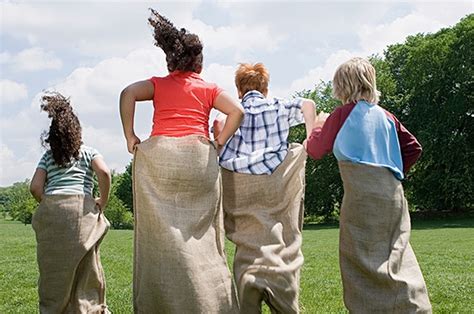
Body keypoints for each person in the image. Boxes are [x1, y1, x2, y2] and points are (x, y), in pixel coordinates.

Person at [119, 9, 243, 313]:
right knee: (202, 236)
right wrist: (220, 140)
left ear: (170, 60)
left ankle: (162, 301)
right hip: (197, 160)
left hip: (161, 159)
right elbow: (237, 111)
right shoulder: (209, 87)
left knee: (161, 237)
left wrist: (130, 136)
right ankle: (210, 301)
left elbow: (127, 93)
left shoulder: (158, 84)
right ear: (198, 61)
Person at [305, 57, 432, 313]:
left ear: (342, 86)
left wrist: (316, 126)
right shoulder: (387, 116)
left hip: (361, 197)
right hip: (393, 195)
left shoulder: (342, 114)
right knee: (396, 254)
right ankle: (413, 306)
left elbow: (316, 150)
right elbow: (413, 148)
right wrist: (390, 170)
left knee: (359, 260)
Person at [214, 63, 319, 313]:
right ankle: (279, 281)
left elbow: (218, 129)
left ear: (239, 90)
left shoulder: (234, 110)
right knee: (279, 227)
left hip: (238, 177)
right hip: (274, 175)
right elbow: (308, 105)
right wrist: (310, 137)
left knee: (248, 234)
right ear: (266, 88)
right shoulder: (278, 105)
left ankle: (249, 280)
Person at [30, 92, 111, 314]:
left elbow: (35, 187)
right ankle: (87, 308)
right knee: (87, 267)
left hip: (52, 211)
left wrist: (48, 204)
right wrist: (101, 201)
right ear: (77, 131)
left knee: (54, 271)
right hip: (80, 212)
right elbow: (103, 172)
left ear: (52, 136)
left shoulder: (48, 157)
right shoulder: (88, 152)